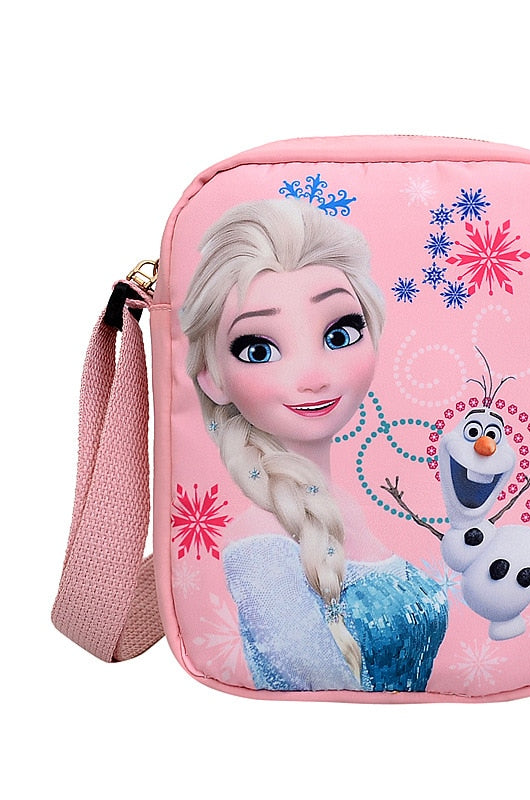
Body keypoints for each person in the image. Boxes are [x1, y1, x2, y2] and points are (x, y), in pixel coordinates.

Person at [180, 198, 448, 691]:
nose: (313, 377)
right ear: (212, 380)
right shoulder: (259, 543)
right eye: (258, 349)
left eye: (340, 334)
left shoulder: (347, 504)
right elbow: (318, 686)